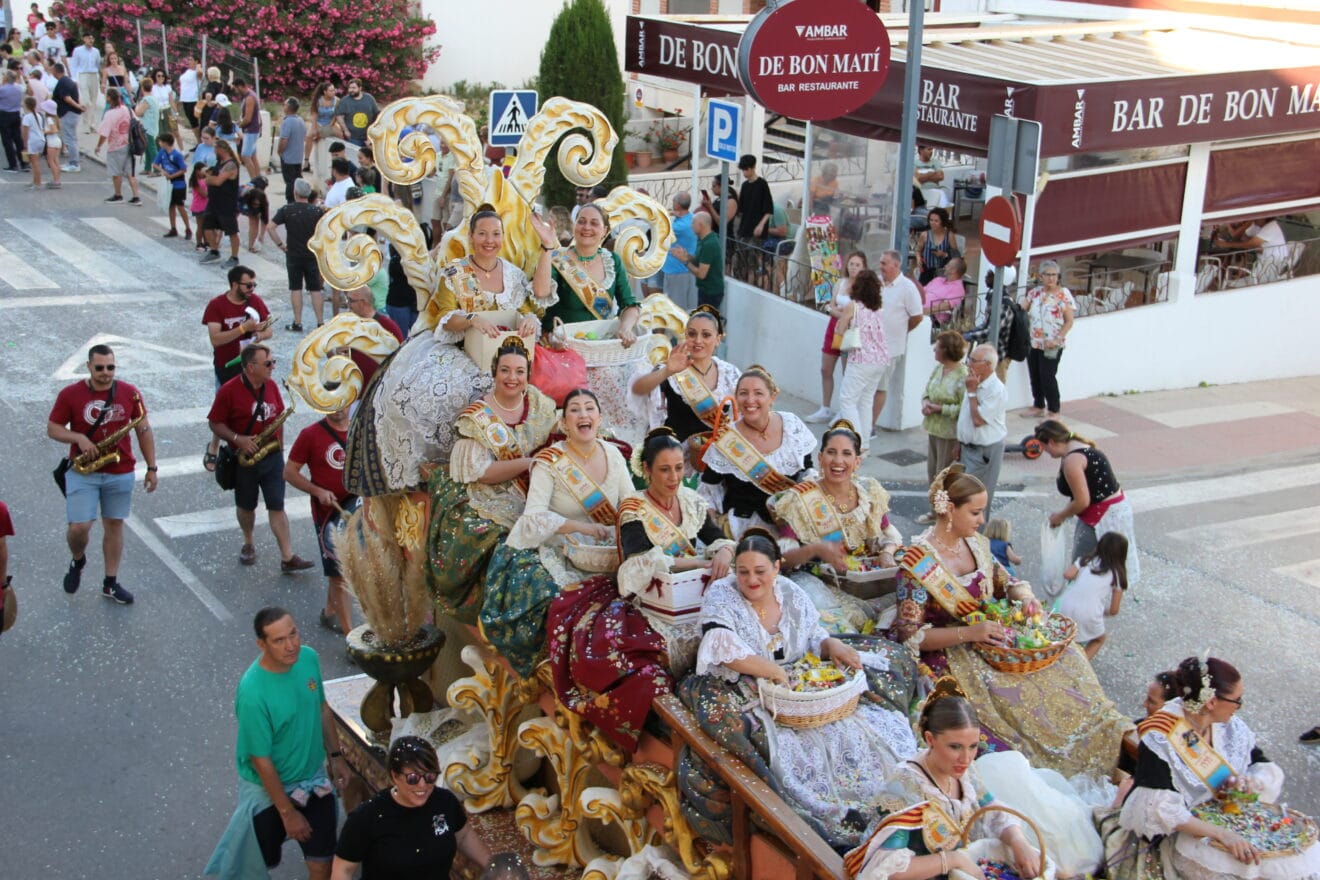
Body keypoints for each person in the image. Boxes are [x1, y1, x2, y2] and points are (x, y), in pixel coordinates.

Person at [680, 530, 918, 847]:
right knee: (786, 745)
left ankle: (884, 803)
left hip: (796, 679)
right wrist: (772, 670)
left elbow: (811, 633)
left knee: (859, 721)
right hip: (744, 681)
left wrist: (830, 644)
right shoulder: (722, 595)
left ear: (777, 567)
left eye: (760, 571)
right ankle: (826, 816)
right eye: (743, 572)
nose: (751, 580)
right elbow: (721, 645)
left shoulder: (790, 592)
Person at [890, 464, 1130, 778]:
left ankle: (1106, 739)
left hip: (995, 639)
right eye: (975, 513)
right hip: (954, 653)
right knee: (1015, 707)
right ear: (949, 510)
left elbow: (1006, 581)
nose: (982, 520)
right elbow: (909, 636)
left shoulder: (976, 544)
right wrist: (971, 633)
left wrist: (1026, 598)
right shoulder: (917, 563)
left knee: (1068, 658)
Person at [349, 207, 553, 494]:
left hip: (507, 353)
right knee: (432, 391)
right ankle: (454, 463)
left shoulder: (513, 273)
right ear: (471, 237)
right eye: (482, 233)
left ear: (503, 237)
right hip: (461, 348)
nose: (489, 240)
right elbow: (445, 315)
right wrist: (472, 319)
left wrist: (530, 319)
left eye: (495, 234)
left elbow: (531, 306)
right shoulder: (456, 272)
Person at [1103, 656, 1319, 880]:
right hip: (1179, 834)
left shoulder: (1229, 727)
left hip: (1226, 818)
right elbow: (1158, 809)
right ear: (1212, 702)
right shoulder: (1161, 736)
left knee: (1300, 859)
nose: (1239, 706)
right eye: (1237, 700)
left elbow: (1262, 765)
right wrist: (1223, 835)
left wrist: (1251, 784)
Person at [479, 388, 633, 677]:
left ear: (599, 418)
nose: (583, 414)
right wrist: (582, 527)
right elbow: (533, 517)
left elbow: (630, 506)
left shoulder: (613, 455)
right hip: (556, 548)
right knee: (558, 601)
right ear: (564, 423)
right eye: (575, 409)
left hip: (606, 553)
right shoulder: (549, 462)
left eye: (590, 408)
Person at [844, 683, 1046, 880]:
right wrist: (952, 860)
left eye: (973, 746)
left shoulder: (962, 772)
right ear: (930, 739)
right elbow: (884, 870)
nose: (966, 759)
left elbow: (990, 810)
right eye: (955, 747)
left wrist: (1018, 841)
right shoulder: (905, 788)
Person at [204, 608, 348, 880]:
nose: (291, 645)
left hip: (313, 780)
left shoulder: (308, 658)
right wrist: (288, 812)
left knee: (321, 864)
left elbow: (322, 709)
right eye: (279, 640)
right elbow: (261, 760)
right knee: (254, 868)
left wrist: (336, 756)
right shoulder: (252, 693)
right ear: (262, 644)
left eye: (293, 633)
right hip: (269, 792)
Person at [428, 337, 558, 624]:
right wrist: (528, 463)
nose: (513, 378)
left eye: (519, 371)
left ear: (528, 375)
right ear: (494, 373)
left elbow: (554, 432)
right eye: (505, 370)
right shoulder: (478, 417)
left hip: (535, 484)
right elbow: (481, 473)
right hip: (489, 491)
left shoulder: (537, 402)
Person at [47, 343, 156, 605]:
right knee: (79, 528)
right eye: (99, 368)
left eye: (110, 367)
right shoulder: (70, 394)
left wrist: (152, 467)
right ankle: (78, 560)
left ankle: (110, 582)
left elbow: (143, 429)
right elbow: (53, 428)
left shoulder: (130, 393)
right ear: (88, 367)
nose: (106, 373)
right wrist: (78, 438)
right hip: (83, 471)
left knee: (114, 525)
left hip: (120, 470)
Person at [771, 420, 902, 632]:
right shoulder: (802, 499)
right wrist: (815, 549)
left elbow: (889, 534)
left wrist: (887, 553)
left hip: (867, 581)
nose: (838, 460)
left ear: (857, 461)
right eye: (831, 452)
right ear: (820, 458)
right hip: (822, 583)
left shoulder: (868, 492)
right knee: (843, 622)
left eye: (846, 454)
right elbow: (782, 558)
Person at [208, 344, 316, 572]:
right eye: (268, 363)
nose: (273, 367)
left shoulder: (272, 386)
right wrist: (239, 439)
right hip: (244, 457)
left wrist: (280, 447)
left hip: (271, 456)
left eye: (273, 362)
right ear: (250, 367)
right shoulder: (229, 391)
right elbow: (215, 423)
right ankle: (248, 541)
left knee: (277, 504)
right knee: (246, 506)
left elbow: (279, 416)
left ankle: (287, 556)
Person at [331, 737, 491, 880]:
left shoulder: (445, 802)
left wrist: (494, 866)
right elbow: (343, 870)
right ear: (395, 776)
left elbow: (463, 836)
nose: (423, 786)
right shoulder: (367, 817)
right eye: (413, 779)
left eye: (430, 777)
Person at [699, 366, 816, 539]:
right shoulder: (726, 440)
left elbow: (807, 471)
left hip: (790, 529)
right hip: (741, 530)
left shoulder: (791, 425)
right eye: (743, 393)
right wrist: (717, 539)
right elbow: (708, 492)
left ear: (773, 397)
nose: (750, 400)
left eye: (758, 393)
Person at [629, 304, 739, 469]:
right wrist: (667, 371)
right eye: (692, 334)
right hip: (674, 461)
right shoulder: (674, 368)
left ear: (718, 339)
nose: (698, 341)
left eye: (706, 335)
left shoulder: (730, 374)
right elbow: (637, 389)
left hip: (713, 462)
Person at [1035, 419, 1140, 582]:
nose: (1046, 453)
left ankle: (1080, 602)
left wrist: (1060, 517)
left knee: (1080, 566)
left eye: (1045, 448)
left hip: (1100, 517)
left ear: (1051, 442)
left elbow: (1082, 501)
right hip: (1114, 511)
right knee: (1108, 566)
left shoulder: (1072, 461)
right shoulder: (1082, 447)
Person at [284, 406, 355, 636]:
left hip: (356, 509)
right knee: (337, 573)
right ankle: (349, 635)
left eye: (342, 402)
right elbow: (290, 472)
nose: (338, 409)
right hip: (328, 515)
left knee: (337, 570)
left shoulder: (359, 430)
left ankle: (328, 612)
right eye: (331, 404)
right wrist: (317, 491)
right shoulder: (309, 435)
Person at [834, 269, 890, 454]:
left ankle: (855, 443)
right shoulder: (878, 308)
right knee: (865, 401)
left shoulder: (853, 306)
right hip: (880, 359)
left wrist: (835, 315)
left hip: (861, 358)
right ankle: (864, 443)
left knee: (847, 400)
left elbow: (840, 328)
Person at [807, 251, 867, 424]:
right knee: (826, 369)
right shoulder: (840, 283)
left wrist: (840, 312)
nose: (854, 268)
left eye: (857, 265)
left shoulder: (862, 288)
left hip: (849, 330)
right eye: (851, 264)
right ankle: (825, 407)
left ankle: (844, 409)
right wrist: (841, 312)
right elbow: (830, 306)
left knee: (847, 372)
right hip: (833, 327)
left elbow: (856, 310)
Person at [1055, 531, 1128, 660]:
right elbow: (1114, 610)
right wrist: (1103, 611)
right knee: (1099, 639)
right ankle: (1079, 665)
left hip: (1065, 604)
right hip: (1088, 612)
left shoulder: (1086, 560)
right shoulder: (1117, 575)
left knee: (1063, 635)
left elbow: (1067, 574)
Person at [268, 177, 328, 331]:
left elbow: (271, 227)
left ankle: (298, 321)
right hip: (312, 254)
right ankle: (320, 322)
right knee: (315, 288)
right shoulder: (316, 211)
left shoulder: (287, 210)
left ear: (295, 192)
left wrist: (281, 245)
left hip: (293, 254)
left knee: (295, 288)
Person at [1017, 260, 1075, 417]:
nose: (1051, 278)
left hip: (1052, 344)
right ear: (1041, 276)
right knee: (1034, 374)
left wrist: (1058, 338)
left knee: (1047, 375)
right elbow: (1022, 309)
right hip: (1034, 341)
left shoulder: (1063, 295)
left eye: (1054, 275)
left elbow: (1069, 320)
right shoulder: (1034, 293)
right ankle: (1038, 405)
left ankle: (1054, 409)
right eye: (1047, 275)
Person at [875, 249, 924, 431]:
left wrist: (901, 330)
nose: (881, 267)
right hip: (871, 345)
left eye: (884, 263)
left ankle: (870, 426)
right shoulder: (878, 283)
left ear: (896, 265)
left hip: (890, 348)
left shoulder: (907, 288)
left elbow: (917, 316)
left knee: (880, 387)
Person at [918, 330, 967, 509]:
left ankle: (940, 513)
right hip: (933, 428)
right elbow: (927, 391)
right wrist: (925, 403)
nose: (933, 351)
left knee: (942, 476)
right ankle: (935, 511)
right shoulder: (939, 369)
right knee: (932, 473)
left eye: (937, 348)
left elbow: (964, 407)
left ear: (946, 351)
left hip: (949, 432)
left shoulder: (962, 374)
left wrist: (940, 409)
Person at [956, 344, 1007, 511]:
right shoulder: (973, 379)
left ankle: (978, 535)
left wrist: (972, 392)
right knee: (963, 497)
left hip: (984, 452)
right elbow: (964, 417)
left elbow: (978, 420)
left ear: (987, 365)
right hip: (967, 448)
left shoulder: (996, 390)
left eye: (973, 361)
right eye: (969, 359)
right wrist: (959, 443)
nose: (968, 364)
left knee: (977, 499)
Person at [343, 287, 404, 384]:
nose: (348, 304)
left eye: (351, 301)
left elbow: (401, 361)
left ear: (363, 303)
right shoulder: (348, 324)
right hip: (352, 388)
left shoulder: (388, 327)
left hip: (376, 390)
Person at [669, 210, 724, 311]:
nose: (691, 226)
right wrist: (686, 256)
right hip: (704, 289)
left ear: (701, 225)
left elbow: (701, 274)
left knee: (706, 322)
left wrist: (685, 262)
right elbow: (699, 260)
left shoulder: (710, 244)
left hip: (711, 292)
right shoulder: (702, 239)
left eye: (693, 223)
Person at [93, 85, 140, 204]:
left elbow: (104, 133)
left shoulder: (109, 114)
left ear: (109, 98)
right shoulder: (127, 109)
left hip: (115, 146)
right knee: (130, 172)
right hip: (129, 144)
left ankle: (118, 194)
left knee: (116, 172)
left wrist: (98, 146)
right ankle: (136, 196)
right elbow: (137, 122)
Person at [201, 139, 242, 267]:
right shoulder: (220, 162)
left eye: (215, 149)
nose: (214, 152)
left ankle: (234, 257)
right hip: (214, 202)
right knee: (207, 225)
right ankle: (214, 250)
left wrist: (208, 179)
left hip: (226, 203)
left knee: (231, 231)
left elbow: (218, 181)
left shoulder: (231, 165)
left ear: (221, 149)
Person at [660, 190, 698, 309]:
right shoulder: (690, 218)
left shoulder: (679, 226)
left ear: (678, 205)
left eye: (674, 200)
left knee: (676, 307)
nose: (672, 202)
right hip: (682, 269)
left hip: (678, 271)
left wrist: (667, 213)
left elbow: (660, 229)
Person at [153, 132, 189, 238]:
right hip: (168, 184)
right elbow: (155, 164)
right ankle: (173, 228)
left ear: (165, 143)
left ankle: (188, 228)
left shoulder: (177, 155)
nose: (159, 143)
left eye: (161, 141)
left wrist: (172, 176)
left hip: (178, 184)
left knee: (180, 206)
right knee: (170, 206)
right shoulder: (162, 152)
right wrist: (162, 171)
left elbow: (184, 169)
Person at [20, 94, 59, 188]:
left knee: (34, 163)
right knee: (36, 162)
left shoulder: (27, 117)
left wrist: (24, 144)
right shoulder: (39, 115)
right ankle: (35, 181)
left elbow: (25, 133)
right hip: (40, 140)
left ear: (26, 105)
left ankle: (37, 182)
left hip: (33, 141)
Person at [915, 207, 959, 286]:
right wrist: (918, 258)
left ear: (942, 222)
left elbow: (956, 255)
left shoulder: (949, 235)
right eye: (931, 220)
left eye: (936, 221)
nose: (932, 223)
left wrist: (944, 254)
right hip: (927, 271)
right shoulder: (925, 235)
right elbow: (918, 250)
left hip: (943, 272)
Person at [51, 60, 81, 172]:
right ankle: (72, 161)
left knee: (69, 138)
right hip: (70, 113)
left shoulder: (63, 82)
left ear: (56, 71)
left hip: (68, 113)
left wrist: (78, 106)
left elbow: (67, 98)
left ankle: (74, 163)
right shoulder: (67, 81)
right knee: (71, 137)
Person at [921, 257, 968, 328]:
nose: (945, 266)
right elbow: (921, 290)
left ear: (954, 270)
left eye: (948, 265)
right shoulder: (938, 280)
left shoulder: (957, 288)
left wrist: (925, 311)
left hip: (932, 319)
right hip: (916, 309)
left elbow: (946, 306)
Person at [276, 97, 305, 202]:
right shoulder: (300, 120)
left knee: (290, 182)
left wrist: (279, 151)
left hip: (289, 158)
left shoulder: (288, 121)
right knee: (297, 180)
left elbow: (284, 139)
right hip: (298, 157)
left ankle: (291, 202)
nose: (283, 106)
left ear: (288, 107)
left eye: (284, 104)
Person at [68, 32, 98, 133]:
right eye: (89, 38)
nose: (91, 40)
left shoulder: (96, 51)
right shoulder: (78, 50)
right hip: (83, 74)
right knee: (86, 100)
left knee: (93, 100)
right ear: (84, 39)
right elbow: (74, 64)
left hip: (93, 74)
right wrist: (74, 79)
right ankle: (87, 123)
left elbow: (97, 64)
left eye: (92, 38)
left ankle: (92, 123)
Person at [334, 78, 377, 148]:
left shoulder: (369, 99)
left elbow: (377, 114)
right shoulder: (345, 101)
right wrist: (346, 130)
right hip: (353, 137)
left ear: (360, 88)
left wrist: (372, 133)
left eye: (354, 88)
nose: (351, 90)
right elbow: (339, 116)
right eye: (350, 88)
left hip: (368, 137)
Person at [304, 81, 337, 173]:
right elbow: (314, 116)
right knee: (309, 136)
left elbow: (335, 116)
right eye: (331, 90)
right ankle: (306, 160)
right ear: (325, 92)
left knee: (340, 134)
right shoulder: (318, 101)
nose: (333, 92)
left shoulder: (336, 100)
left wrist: (330, 125)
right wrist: (315, 128)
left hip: (330, 123)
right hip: (318, 122)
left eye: (334, 90)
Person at [233, 76, 261, 180]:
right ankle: (258, 178)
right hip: (252, 130)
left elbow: (248, 118)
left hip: (251, 131)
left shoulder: (249, 98)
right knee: (253, 155)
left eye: (236, 89)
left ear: (240, 86)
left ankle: (253, 179)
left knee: (245, 156)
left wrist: (238, 126)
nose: (236, 92)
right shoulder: (249, 95)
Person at [0, 69, 26, 173]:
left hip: (5, 114)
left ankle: (13, 164)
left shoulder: (3, 89)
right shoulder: (19, 88)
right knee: (18, 139)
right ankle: (23, 162)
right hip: (16, 114)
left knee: (7, 141)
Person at [133, 78, 160, 171]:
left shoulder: (147, 100)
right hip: (153, 126)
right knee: (147, 149)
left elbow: (138, 112)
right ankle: (147, 168)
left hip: (147, 127)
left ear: (142, 88)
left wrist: (136, 107)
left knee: (152, 149)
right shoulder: (153, 98)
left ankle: (157, 169)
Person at [239, 174, 269, 253]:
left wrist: (262, 235)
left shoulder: (262, 199)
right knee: (253, 222)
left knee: (254, 222)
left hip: (246, 202)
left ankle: (251, 246)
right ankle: (251, 246)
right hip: (240, 201)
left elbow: (264, 218)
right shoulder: (242, 192)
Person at [914, 144, 946, 208]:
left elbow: (940, 176)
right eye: (929, 149)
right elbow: (917, 178)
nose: (931, 151)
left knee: (942, 198)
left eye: (932, 149)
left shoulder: (935, 162)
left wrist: (923, 176)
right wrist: (932, 173)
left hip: (935, 192)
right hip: (921, 193)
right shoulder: (914, 162)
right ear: (921, 150)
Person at [177, 58, 201, 139]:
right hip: (185, 99)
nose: (189, 61)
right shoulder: (187, 71)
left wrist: (197, 66)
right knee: (191, 121)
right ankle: (198, 142)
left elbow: (200, 73)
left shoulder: (197, 72)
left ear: (196, 61)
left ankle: (199, 142)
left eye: (191, 60)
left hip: (192, 99)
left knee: (194, 121)